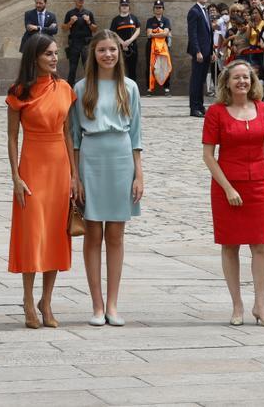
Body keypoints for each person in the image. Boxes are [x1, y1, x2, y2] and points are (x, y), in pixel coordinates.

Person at [71, 30, 144, 327]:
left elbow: (137, 134)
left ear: (119, 53)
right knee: (93, 234)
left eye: (112, 50)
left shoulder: (129, 87)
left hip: (121, 156)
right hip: (91, 156)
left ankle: (113, 303)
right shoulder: (80, 88)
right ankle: (97, 304)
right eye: (102, 50)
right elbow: (73, 137)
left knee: (115, 234)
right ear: (94, 53)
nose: (108, 55)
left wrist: (139, 174)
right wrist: (74, 176)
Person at [6, 34, 77, 329]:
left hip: (59, 165)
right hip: (32, 165)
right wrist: (16, 177)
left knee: (56, 236)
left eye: (55, 53)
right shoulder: (19, 92)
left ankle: (46, 301)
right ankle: (26, 299)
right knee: (33, 234)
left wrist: (74, 175)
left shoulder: (64, 88)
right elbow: (11, 137)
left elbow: (69, 133)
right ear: (34, 57)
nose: (54, 58)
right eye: (48, 53)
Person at [202, 60, 264, 328]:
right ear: (227, 82)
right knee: (230, 244)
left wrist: (257, 173)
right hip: (226, 185)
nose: (242, 82)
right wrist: (229, 187)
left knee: (260, 244)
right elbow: (209, 156)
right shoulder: (216, 113)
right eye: (236, 78)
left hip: (259, 185)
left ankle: (261, 305)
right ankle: (237, 305)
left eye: (246, 78)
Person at [187, 0, 214, 117]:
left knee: (202, 80)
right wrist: (197, 51)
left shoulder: (205, 10)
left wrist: (212, 51)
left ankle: (200, 105)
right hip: (199, 52)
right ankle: (194, 107)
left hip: (207, 51)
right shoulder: (194, 11)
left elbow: (209, 33)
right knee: (196, 80)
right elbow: (192, 34)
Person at [62, 0, 97, 84]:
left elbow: (95, 29)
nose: (81, 1)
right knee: (72, 68)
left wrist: (89, 21)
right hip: (74, 43)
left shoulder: (88, 13)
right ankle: (69, 90)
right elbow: (64, 28)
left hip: (86, 44)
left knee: (88, 67)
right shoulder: (70, 13)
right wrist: (71, 22)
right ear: (75, 0)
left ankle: (90, 88)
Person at [109, 0, 142, 85]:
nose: (124, 7)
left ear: (129, 7)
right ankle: (119, 88)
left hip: (132, 47)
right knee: (119, 68)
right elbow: (113, 33)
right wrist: (122, 43)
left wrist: (130, 41)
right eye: (122, 5)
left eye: (126, 5)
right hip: (120, 48)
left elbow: (138, 30)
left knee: (132, 69)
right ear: (119, 7)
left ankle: (133, 89)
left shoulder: (134, 18)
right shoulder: (116, 20)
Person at [146, 0, 173, 96]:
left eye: (160, 7)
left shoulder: (166, 20)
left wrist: (155, 33)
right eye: (156, 7)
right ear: (153, 9)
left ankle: (166, 88)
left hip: (163, 48)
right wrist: (160, 34)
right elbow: (148, 34)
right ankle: (149, 88)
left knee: (165, 65)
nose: (158, 9)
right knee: (151, 66)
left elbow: (166, 33)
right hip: (152, 47)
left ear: (163, 9)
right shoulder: (150, 20)